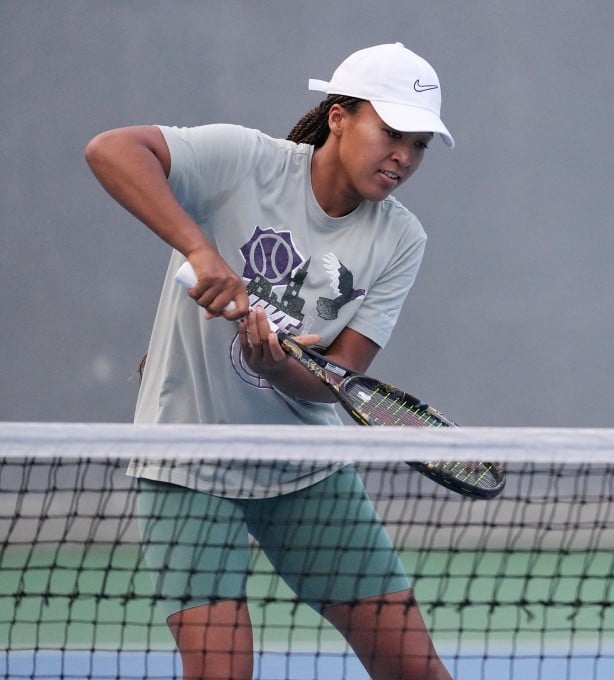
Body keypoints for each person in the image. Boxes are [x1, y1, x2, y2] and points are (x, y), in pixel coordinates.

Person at [85, 43, 455, 680]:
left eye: (418, 144)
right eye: (392, 133)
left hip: (306, 472)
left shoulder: (401, 238)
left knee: (416, 672)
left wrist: (277, 367)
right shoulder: (243, 161)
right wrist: (200, 252)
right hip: (187, 467)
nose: (404, 156)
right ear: (338, 117)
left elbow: (336, 379)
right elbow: (111, 150)